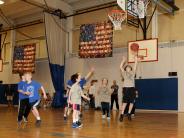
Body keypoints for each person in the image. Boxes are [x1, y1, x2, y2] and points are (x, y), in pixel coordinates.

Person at [119, 56, 138, 122]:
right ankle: (121, 115)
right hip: (126, 89)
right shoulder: (124, 73)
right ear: (126, 69)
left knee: (131, 103)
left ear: (130, 68)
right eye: (127, 67)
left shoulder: (133, 73)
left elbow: (135, 65)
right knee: (125, 103)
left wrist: (136, 60)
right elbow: (120, 67)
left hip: (132, 89)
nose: (128, 68)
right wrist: (123, 60)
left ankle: (129, 114)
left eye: (129, 67)